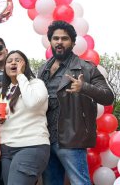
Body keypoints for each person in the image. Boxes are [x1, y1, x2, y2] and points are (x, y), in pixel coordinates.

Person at [38, 20, 114, 185]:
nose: (59, 42)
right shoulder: (42, 69)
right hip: (44, 138)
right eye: (55, 38)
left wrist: (84, 87)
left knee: (80, 182)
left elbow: (108, 97)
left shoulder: (87, 68)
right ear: (50, 41)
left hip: (71, 138)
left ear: (72, 43)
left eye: (64, 38)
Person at [0, 50, 49, 185]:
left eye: (17, 60)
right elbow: (0, 124)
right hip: (7, 149)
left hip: (31, 145)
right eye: (9, 61)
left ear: (25, 64)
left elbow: (32, 103)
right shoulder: (4, 91)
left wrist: (20, 75)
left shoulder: (36, 84)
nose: (13, 62)